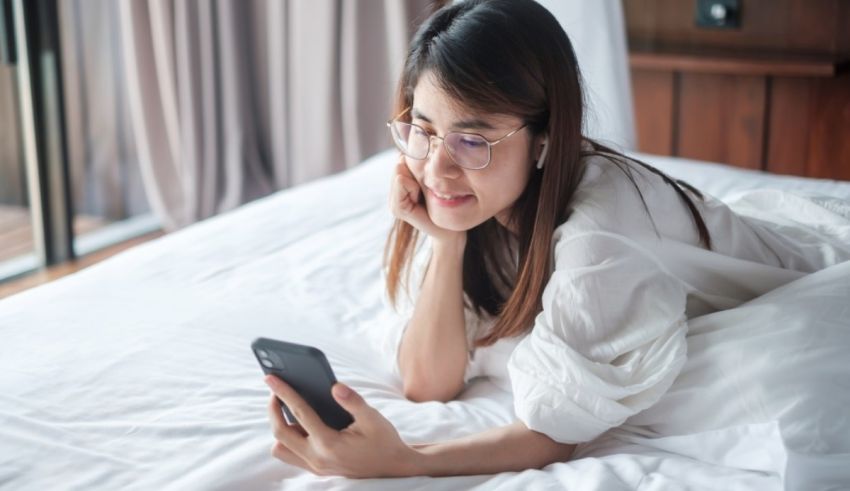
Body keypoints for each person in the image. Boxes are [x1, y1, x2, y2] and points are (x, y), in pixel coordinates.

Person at [262, 0, 850, 478]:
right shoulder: (475, 198)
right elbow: (427, 382)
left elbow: (555, 432)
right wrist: (446, 242)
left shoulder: (602, 229)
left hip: (807, 273)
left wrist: (407, 460)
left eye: (473, 140)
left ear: (544, 141)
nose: (436, 169)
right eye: (423, 129)